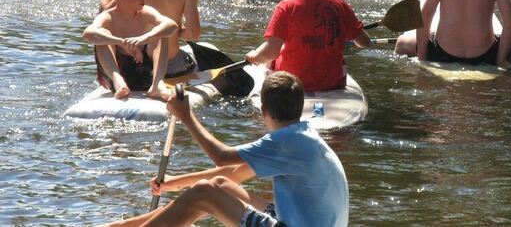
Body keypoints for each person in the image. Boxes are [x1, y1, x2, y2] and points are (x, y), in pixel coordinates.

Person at [105, 71, 349, 227]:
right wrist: (174, 182)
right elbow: (232, 174)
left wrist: (186, 116)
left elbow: (222, 158)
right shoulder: (303, 135)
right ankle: (124, 226)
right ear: (299, 108)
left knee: (203, 193)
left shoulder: (286, 141)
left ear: (264, 111)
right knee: (220, 186)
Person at [245, 0, 371, 92]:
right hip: (332, 83)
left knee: (270, 61)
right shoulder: (339, 5)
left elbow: (270, 52)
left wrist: (254, 56)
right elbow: (365, 42)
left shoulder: (286, 6)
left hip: (292, 84)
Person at [83, 0, 178, 101]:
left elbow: (171, 25)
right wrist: (121, 42)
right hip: (118, 74)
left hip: (145, 72)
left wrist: (144, 38)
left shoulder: (146, 13)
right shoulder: (108, 17)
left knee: (161, 32)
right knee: (101, 36)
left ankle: (157, 86)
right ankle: (119, 82)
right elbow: (87, 34)